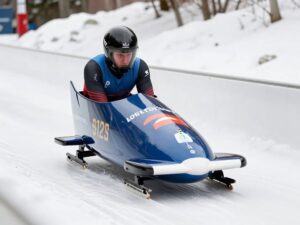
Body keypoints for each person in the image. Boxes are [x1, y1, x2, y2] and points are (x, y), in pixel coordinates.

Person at [83, 26, 155, 102]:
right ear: (109, 53)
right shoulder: (94, 68)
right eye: (120, 55)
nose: (125, 61)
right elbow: (102, 107)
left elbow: (150, 102)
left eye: (129, 54)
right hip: (99, 104)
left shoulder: (140, 67)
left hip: (122, 104)